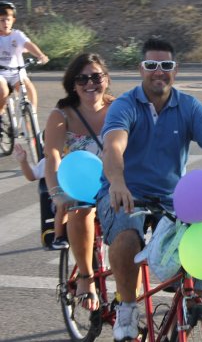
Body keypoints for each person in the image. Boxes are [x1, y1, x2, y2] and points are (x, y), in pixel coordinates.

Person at [97, 37, 202, 341]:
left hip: (172, 197)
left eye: (166, 65)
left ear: (176, 70)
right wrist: (118, 184)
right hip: (125, 192)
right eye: (151, 65)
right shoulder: (126, 104)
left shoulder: (188, 106)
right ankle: (128, 309)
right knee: (127, 237)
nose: (158, 71)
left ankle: (193, 303)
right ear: (141, 69)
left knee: (198, 233)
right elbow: (113, 146)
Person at [44, 53, 114, 311]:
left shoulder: (118, 108)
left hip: (112, 186)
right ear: (73, 85)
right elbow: (52, 157)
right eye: (82, 78)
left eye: (96, 77)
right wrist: (57, 194)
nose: (90, 83)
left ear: (105, 79)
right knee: (81, 210)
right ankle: (86, 278)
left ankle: (128, 303)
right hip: (76, 189)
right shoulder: (62, 115)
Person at [0, 1, 49, 114]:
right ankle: (1, 115)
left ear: (13, 20)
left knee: (30, 91)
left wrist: (40, 55)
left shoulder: (17, 35)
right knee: (3, 91)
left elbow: (28, 45)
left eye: (8, 19)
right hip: (1, 74)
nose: (5, 23)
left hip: (17, 73)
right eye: (2, 20)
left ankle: (31, 124)